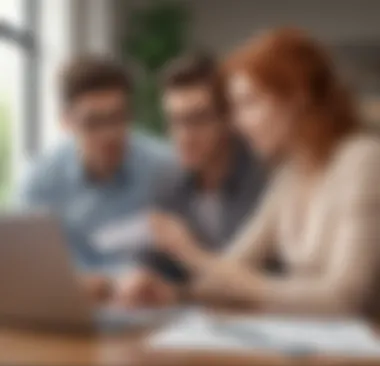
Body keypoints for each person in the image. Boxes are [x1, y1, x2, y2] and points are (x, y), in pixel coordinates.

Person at [149, 28, 380, 317]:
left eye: (250, 103)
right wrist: (175, 293)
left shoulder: (361, 160)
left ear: (296, 97)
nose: (236, 123)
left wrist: (191, 254)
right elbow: (236, 264)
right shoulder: (290, 176)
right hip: (315, 349)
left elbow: (344, 298)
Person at [117, 52, 268, 307]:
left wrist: (184, 261)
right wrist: (138, 277)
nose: (184, 136)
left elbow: (257, 278)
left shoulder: (265, 181)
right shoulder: (169, 179)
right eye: (175, 121)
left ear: (229, 118)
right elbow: (152, 257)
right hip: (192, 325)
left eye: (197, 119)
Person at [18, 56, 172, 299]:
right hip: (64, 307)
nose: (109, 134)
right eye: (93, 122)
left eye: (118, 118)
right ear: (66, 121)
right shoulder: (40, 180)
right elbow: (23, 263)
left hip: (149, 309)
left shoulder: (165, 167)